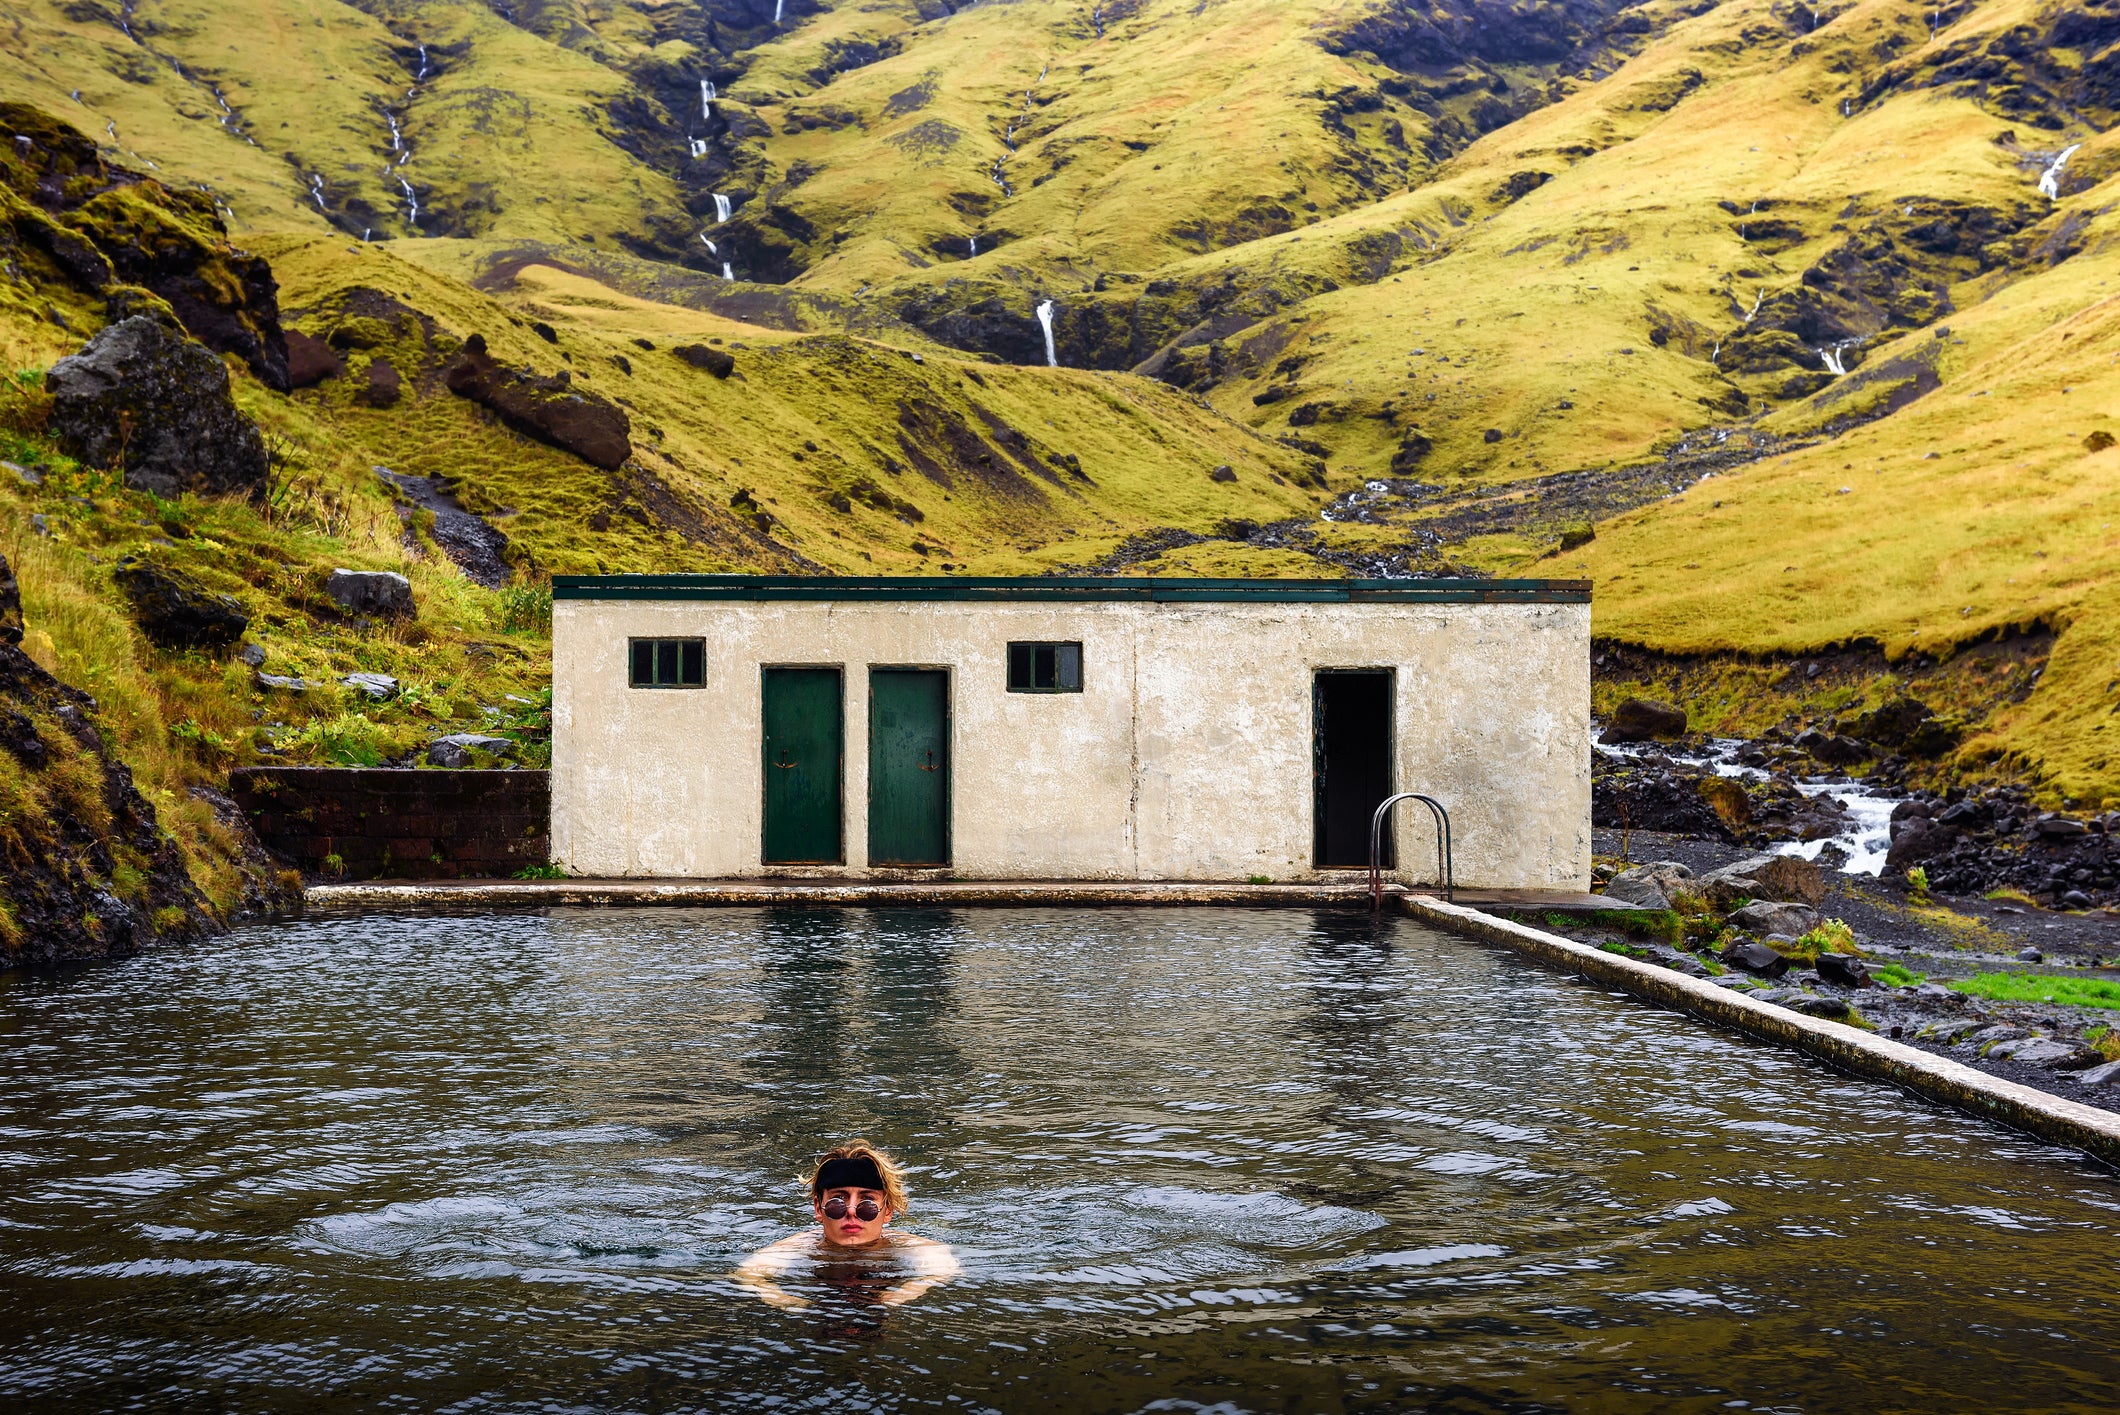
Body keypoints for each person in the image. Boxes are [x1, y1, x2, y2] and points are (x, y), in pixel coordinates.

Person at [734, 1141, 960, 1311]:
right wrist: (789, 1302)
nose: (851, 1210)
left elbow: (944, 1270)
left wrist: (899, 1296)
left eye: (867, 1202)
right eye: (837, 1201)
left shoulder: (908, 1246)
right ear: (818, 1208)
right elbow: (748, 1274)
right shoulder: (799, 1247)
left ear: (888, 1210)